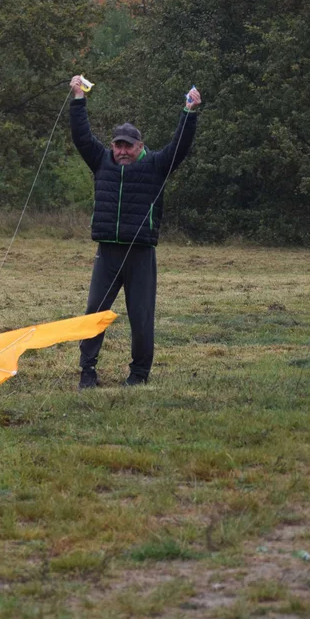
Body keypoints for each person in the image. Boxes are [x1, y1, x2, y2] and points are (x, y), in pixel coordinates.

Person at [69, 75, 201, 389]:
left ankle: (138, 375)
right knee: (94, 315)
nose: (122, 151)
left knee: (141, 318)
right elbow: (81, 136)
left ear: (140, 146)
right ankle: (87, 372)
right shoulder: (102, 161)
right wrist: (78, 99)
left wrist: (189, 112)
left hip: (141, 254)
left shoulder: (156, 165)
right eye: (118, 145)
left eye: (129, 146)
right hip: (107, 253)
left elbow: (179, 146)